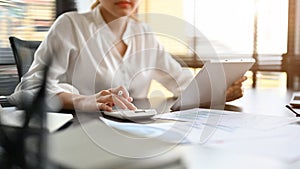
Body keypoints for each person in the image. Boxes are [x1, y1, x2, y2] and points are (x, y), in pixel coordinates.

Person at [11, 0, 246, 112]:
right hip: (80, 137)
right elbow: (28, 89)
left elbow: (181, 83)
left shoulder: (144, 33)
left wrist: (216, 92)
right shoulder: (71, 25)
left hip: (139, 138)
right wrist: (84, 100)